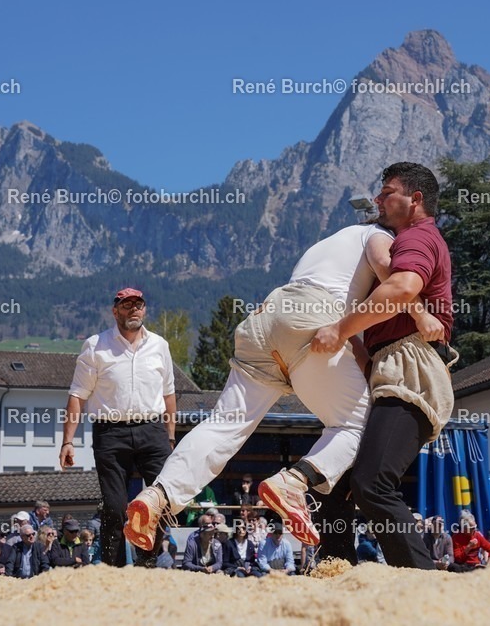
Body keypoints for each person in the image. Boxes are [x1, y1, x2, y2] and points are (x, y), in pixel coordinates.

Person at [125, 216, 443, 552]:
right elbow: (390, 273)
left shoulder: (328, 244)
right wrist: (421, 314)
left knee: (224, 426)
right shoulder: (376, 234)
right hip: (310, 316)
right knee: (361, 424)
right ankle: (294, 481)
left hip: (264, 320)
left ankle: (157, 495)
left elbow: (347, 333)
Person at [313, 162, 456, 570]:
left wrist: (340, 329)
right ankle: (336, 571)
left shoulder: (417, 236)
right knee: (334, 483)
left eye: (388, 192)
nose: (378, 199)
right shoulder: (407, 239)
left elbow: (402, 288)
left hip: (410, 369)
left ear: (416, 199)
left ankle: (420, 583)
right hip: (389, 365)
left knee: (372, 484)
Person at [61, 288, 176, 567]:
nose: (133, 309)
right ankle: (112, 569)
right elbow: (77, 395)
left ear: (144, 310)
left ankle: (147, 561)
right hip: (110, 433)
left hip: (152, 431)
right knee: (114, 507)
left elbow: (169, 394)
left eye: (138, 304)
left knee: (164, 501)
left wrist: (171, 437)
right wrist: (68, 441)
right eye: (127, 305)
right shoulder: (95, 346)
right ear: (115, 311)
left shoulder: (159, 345)